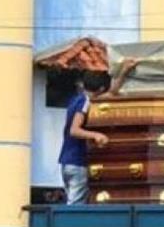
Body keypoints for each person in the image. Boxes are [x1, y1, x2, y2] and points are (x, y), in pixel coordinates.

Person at [58, 59, 137, 205]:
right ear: (101, 89)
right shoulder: (85, 103)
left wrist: (124, 70)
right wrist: (96, 135)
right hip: (77, 162)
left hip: (67, 162)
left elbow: (112, 93)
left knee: (75, 201)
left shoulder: (78, 99)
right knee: (75, 206)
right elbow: (74, 130)